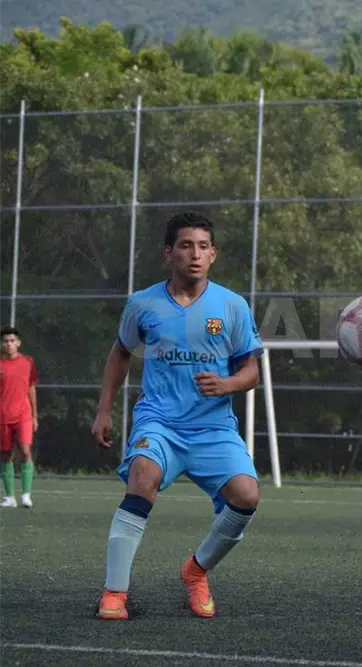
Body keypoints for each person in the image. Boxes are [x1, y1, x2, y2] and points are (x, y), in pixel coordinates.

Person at [91, 211, 264, 621]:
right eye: (186, 246)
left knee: (247, 496)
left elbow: (252, 371)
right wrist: (104, 410)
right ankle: (114, 592)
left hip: (213, 427)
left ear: (213, 254)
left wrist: (227, 384)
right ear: (168, 253)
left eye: (203, 247)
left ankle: (196, 570)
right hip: (160, 423)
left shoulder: (232, 306)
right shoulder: (142, 303)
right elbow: (120, 354)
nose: (195, 254)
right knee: (142, 476)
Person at [0, 327, 39, 509]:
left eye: (12, 341)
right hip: (3, 416)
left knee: (25, 450)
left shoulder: (28, 362)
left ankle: (26, 495)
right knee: (6, 455)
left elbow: (31, 388)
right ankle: (10, 498)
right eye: (6, 341)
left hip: (23, 415)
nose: (9, 344)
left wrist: (34, 415)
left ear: (18, 343)